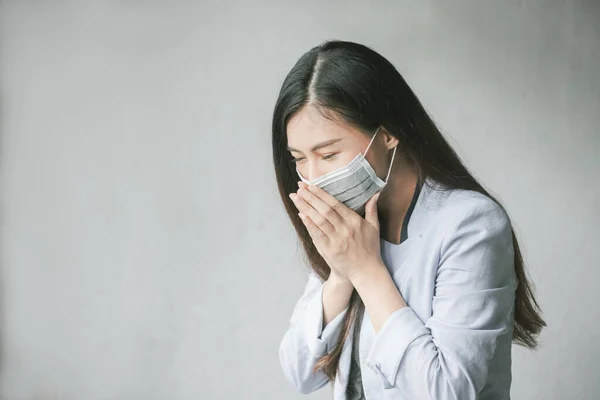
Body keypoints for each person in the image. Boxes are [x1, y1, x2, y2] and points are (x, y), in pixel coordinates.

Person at [272, 40, 545, 400]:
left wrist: (366, 271)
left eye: (328, 153)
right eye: (298, 159)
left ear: (387, 133)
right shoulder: (349, 226)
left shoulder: (470, 225)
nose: (313, 175)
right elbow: (300, 374)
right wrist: (340, 274)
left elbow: (447, 391)